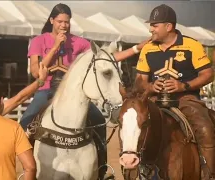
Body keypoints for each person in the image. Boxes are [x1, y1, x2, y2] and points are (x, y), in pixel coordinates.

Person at [19, 3, 150, 179]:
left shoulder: (80, 42)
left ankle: (102, 167)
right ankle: (28, 169)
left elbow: (105, 60)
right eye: (60, 21)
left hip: (75, 93)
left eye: (67, 21)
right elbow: (36, 71)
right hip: (46, 89)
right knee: (24, 123)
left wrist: (136, 49)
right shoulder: (39, 41)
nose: (64, 25)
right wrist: (56, 46)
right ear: (51, 20)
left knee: (98, 121)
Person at [136, 4, 215, 179]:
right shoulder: (148, 48)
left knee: (205, 128)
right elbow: (140, 80)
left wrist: (183, 86)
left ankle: (208, 174)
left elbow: (208, 74)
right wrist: (149, 87)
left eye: (155, 25)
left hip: (186, 99)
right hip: (154, 100)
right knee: (133, 126)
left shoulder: (191, 45)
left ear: (168, 26)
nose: (151, 29)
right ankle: (136, 171)